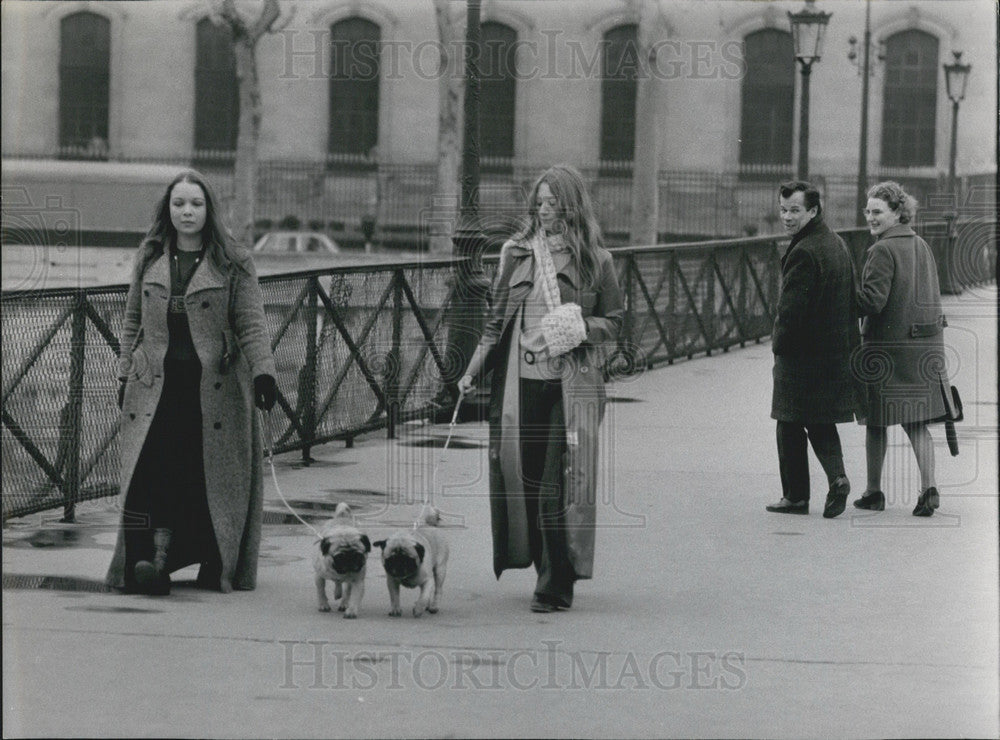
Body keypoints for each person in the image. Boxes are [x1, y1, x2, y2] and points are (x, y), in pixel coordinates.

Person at [457, 164, 623, 613]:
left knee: (558, 483)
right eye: (540, 202)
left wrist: (582, 327)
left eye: (553, 202)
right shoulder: (515, 254)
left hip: (571, 387)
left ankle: (554, 585)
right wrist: (471, 371)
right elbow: (494, 324)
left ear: (572, 206)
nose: (544, 210)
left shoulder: (597, 261)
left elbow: (615, 323)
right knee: (524, 481)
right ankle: (546, 567)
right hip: (521, 385)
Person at [106, 170, 277, 595]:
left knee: (204, 476)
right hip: (155, 388)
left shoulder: (233, 260)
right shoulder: (150, 256)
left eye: (196, 204)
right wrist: (125, 371)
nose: (187, 212)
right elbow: (132, 320)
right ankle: (145, 563)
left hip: (214, 389)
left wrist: (263, 372)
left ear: (209, 210)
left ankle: (211, 561)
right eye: (179, 203)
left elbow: (251, 323)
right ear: (168, 208)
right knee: (148, 474)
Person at [766, 180, 862, 518]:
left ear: (813, 211)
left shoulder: (804, 251)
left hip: (801, 354)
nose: (787, 217)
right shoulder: (835, 242)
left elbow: (791, 310)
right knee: (820, 420)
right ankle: (838, 478)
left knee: (788, 420)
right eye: (783, 209)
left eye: (795, 210)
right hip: (833, 352)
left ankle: (795, 497)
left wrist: (779, 345)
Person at [854, 181, 947, 517]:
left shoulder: (882, 250)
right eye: (867, 211)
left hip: (886, 351)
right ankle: (929, 488)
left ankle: (873, 492)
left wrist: (842, 295)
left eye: (877, 211)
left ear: (897, 212)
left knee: (876, 421)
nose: (870, 217)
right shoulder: (920, 244)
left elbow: (872, 302)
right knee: (916, 422)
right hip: (922, 347)